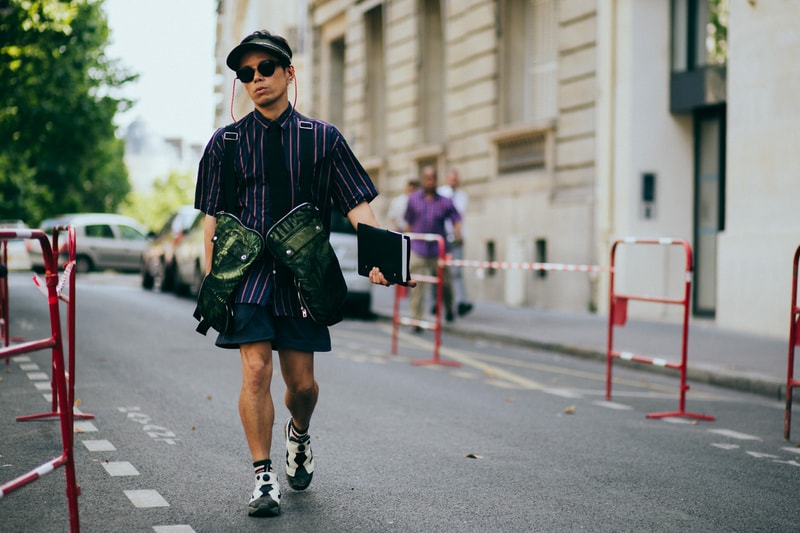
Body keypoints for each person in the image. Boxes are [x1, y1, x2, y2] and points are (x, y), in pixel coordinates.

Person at [194, 30, 395, 518]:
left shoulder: (323, 139)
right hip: (247, 273)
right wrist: (211, 281)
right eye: (246, 73)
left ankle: (298, 434)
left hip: (304, 274)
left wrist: (380, 259)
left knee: (301, 386)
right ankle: (264, 478)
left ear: (288, 73)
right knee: (256, 369)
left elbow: (357, 205)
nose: (256, 79)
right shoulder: (225, 144)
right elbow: (213, 219)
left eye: (265, 69)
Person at [404, 165, 461, 327]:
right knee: (416, 286)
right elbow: (408, 222)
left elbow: (456, 219)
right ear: (423, 180)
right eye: (427, 178)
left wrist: (458, 233)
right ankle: (416, 319)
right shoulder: (413, 199)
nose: (430, 181)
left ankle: (449, 310)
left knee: (446, 284)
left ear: (436, 180)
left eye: (433, 178)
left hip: (438, 250)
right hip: (418, 249)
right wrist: (405, 244)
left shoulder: (444, 201)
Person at [437, 168, 473, 316]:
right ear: (446, 179)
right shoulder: (440, 194)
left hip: (456, 238)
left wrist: (459, 234)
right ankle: (438, 303)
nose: (454, 181)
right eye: (451, 178)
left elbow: (460, 218)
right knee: (440, 272)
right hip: (442, 239)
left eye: (455, 178)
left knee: (456, 271)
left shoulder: (463, 196)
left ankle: (460, 301)